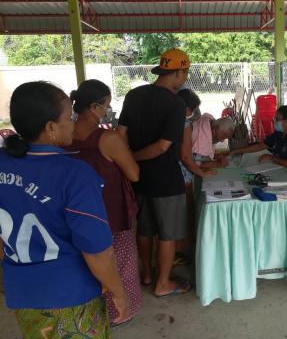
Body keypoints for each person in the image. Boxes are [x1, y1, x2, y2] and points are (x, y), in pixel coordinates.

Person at [0, 81, 129, 337]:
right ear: (50, 128)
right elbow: (98, 253)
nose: (74, 121)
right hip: (70, 295)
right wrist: (119, 292)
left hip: (22, 293)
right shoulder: (75, 174)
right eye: (69, 116)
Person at [65, 79, 143, 324]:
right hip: (110, 210)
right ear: (94, 107)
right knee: (120, 261)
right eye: (107, 105)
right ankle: (119, 313)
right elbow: (134, 174)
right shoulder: (107, 138)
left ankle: (91, 313)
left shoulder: (62, 136)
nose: (109, 110)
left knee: (85, 262)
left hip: (75, 210)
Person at [118, 48, 191, 297]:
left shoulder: (133, 94)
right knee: (168, 234)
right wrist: (134, 157)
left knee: (145, 229)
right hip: (166, 181)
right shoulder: (176, 103)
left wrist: (129, 160)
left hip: (138, 179)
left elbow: (120, 134)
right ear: (179, 72)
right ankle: (163, 283)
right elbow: (163, 146)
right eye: (185, 73)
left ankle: (147, 275)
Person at [176, 88, 216, 256]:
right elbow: (185, 157)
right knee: (184, 216)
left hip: (166, 175)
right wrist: (202, 173)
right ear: (187, 108)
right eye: (192, 110)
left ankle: (177, 251)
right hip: (181, 177)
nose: (192, 114)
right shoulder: (184, 125)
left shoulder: (165, 120)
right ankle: (183, 251)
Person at [230, 105, 287, 181]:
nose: (275, 121)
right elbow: (260, 146)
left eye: (277, 119)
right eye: (275, 118)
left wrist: (272, 158)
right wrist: (237, 151)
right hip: (280, 169)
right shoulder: (278, 133)